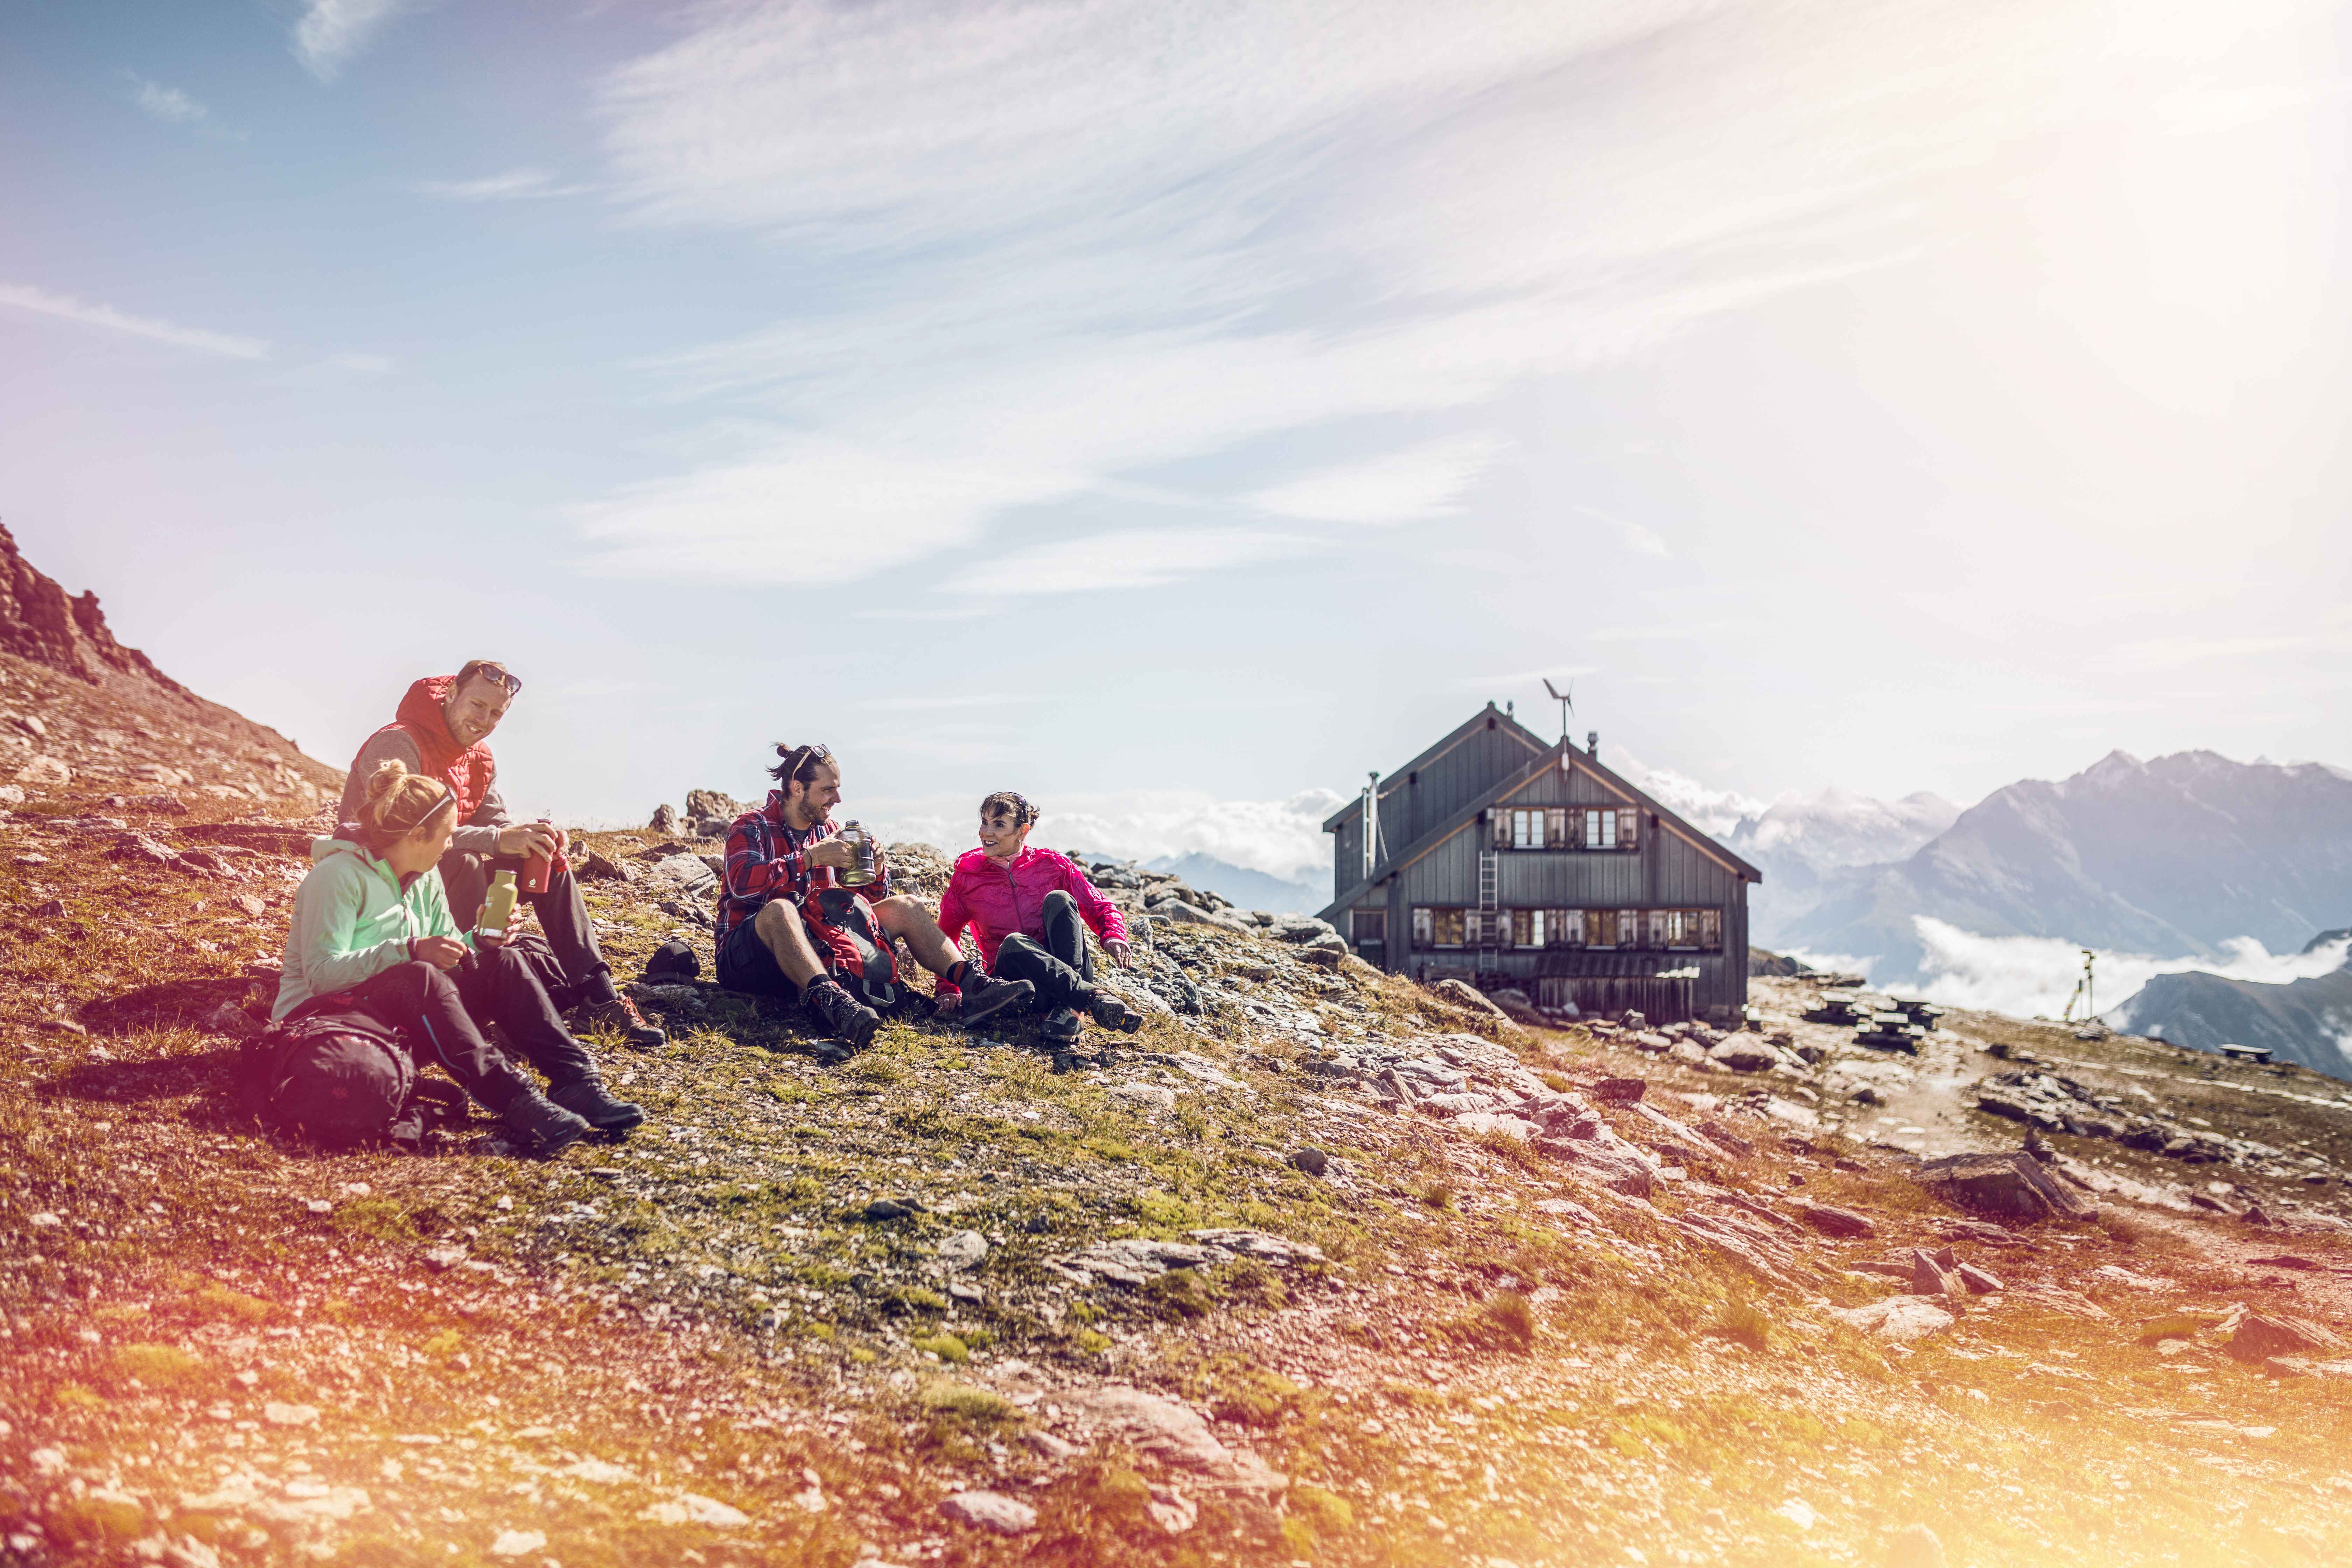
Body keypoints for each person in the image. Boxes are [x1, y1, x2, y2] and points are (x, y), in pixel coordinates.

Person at [276, 760, 645, 1154]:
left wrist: (480, 942)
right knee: (417, 974)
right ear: (418, 835)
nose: (452, 845)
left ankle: (577, 1082)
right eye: (448, 835)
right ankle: (517, 1101)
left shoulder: (427, 877)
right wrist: (411, 950)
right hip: (327, 1024)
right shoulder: (336, 877)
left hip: (400, 1019)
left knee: (502, 962)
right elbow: (320, 975)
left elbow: (448, 955)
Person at [340, 660, 663, 1048]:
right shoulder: (397, 742)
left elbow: (496, 824)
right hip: (380, 882)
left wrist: (530, 839)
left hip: (442, 878)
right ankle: (478, 981)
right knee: (464, 861)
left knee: (546, 861)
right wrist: (497, 841)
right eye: (478, 705)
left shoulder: (480, 758)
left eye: (496, 713)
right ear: (452, 693)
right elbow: (398, 832)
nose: (484, 720)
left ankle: (599, 994)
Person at [715, 744, 1036, 1057]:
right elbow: (743, 885)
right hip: (750, 959)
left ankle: (974, 985)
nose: (837, 799)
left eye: (837, 789)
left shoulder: (829, 831)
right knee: (781, 910)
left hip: (820, 950)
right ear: (798, 788)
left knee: (906, 907)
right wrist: (809, 859)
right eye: (828, 790)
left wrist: (878, 870)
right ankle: (833, 1003)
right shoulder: (752, 826)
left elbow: (859, 908)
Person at [934, 791, 1146, 1046]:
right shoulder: (968, 878)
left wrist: (1113, 934)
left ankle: (1068, 1008)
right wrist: (949, 989)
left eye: (999, 825)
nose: (987, 833)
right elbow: (945, 938)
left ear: (1023, 831)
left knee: (1060, 899)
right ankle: (1085, 1002)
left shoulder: (1053, 865)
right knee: (1013, 943)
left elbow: (1099, 905)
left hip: (1067, 968)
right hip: (1019, 983)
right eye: (984, 822)